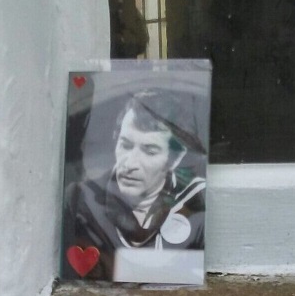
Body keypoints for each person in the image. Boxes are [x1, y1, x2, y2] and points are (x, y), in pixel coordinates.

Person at [62, 89, 206, 280]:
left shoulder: (196, 205)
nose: (130, 164)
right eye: (126, 145)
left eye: (150, 151)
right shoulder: (80, 199)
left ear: (174, 159)